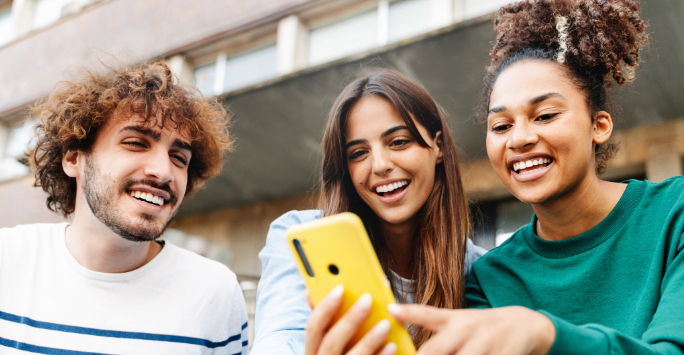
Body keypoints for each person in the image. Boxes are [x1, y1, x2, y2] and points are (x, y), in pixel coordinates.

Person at [387, 0, 684, 354]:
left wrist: (546, 335)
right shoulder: (488, 278)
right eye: (501, 125)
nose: (519, 139)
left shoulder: (674, 214)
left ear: (599, 126)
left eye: (544, 115)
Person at [0, 62, 249, 354]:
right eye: (135, 143)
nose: (163, 170)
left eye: (179, 158)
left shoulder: (215, 292)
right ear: (73, 158)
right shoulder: (8, 259)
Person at [251, 68, 486, 355]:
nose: (379, 165)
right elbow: (279, 339)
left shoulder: (477, 268)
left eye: (399, 142)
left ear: (437, 147)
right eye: (358, 153)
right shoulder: (300, 236)